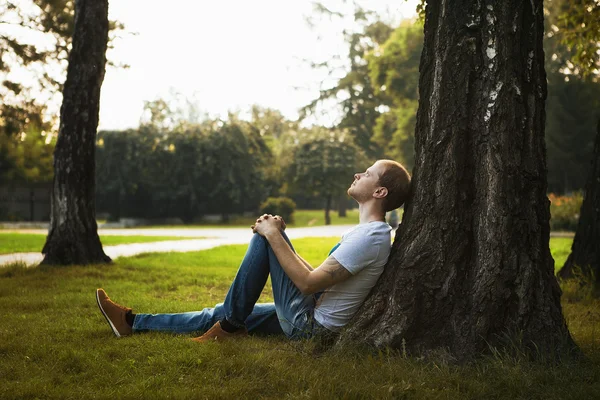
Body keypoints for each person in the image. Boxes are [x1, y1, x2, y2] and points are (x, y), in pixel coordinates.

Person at [96, 159, 411, 343]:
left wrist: (272, 237)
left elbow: (308, 283)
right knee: (220, 310)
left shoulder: (371, 236)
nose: (358, 174)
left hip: (311, 327)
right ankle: (131, 322)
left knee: (263, 238)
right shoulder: (367, 233)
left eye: (367, 174)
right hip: (310, 312)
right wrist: (281, 237)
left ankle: (230, 327)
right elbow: (318, 279)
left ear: (380, 192)